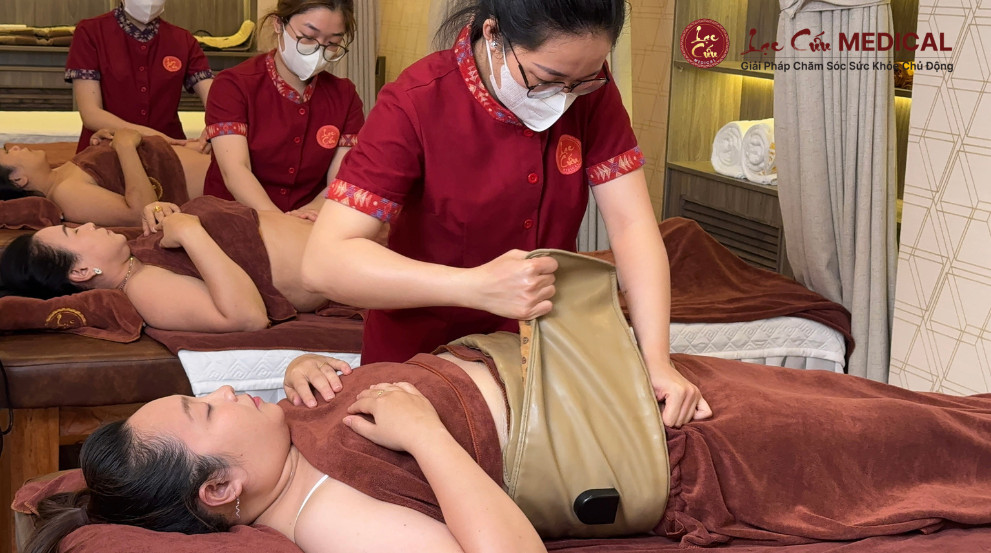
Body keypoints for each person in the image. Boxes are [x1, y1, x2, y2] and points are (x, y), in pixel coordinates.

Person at [21, 344, 991, 553]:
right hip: (656, 441)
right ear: (221, 487)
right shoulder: (322, 514)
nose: (227, 391)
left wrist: (313, 371)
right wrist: (425, 433)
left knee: (882, 399)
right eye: (206, 411)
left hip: (593, 376)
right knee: (920, 437)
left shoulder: (279, 443)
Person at [298, 0, 708, 427]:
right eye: (546, 79)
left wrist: (657, 361)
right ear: (494, 35)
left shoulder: (590, 90)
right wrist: (474, 287)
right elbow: (324, 261)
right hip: (418, 362)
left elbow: (632, 226)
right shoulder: (415, 101)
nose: (564, 98)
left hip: (539, 355)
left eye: (582, 81)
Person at [0, 197, 331, 333]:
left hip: (325, 230)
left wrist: (164, 211)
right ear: (80, 271)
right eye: (73, 232)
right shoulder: (144, 288)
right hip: (339, 263)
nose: (86, 224)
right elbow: (248, 318)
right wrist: (189, 230)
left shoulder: (136, 255)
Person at [202, 0, 364, 219]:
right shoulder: (233, 85)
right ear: (279, 24)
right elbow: (235, 171)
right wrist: (281, 223)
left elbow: (340, 179)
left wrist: (311, 212)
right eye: (308, 37)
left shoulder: (345, 96)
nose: (318, 51)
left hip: (309, 220)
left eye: (332, 43)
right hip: (236, 217)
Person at [65, 0, 214, 152]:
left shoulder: (182, 40)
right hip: (106, 151)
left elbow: (214, 97)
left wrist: (215, 126)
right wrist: (159, 139)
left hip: (170, 154)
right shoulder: (91, 32)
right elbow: (91, 114)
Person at [0, 129, 209, 228]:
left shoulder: (61, 172)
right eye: (8, 153)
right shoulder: (65, 193)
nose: (15, 147)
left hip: (208, 158)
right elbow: (141, 212)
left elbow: (107, 173)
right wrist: (125, 147)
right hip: (212, 181)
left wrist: (101, 145)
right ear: (18, 180)